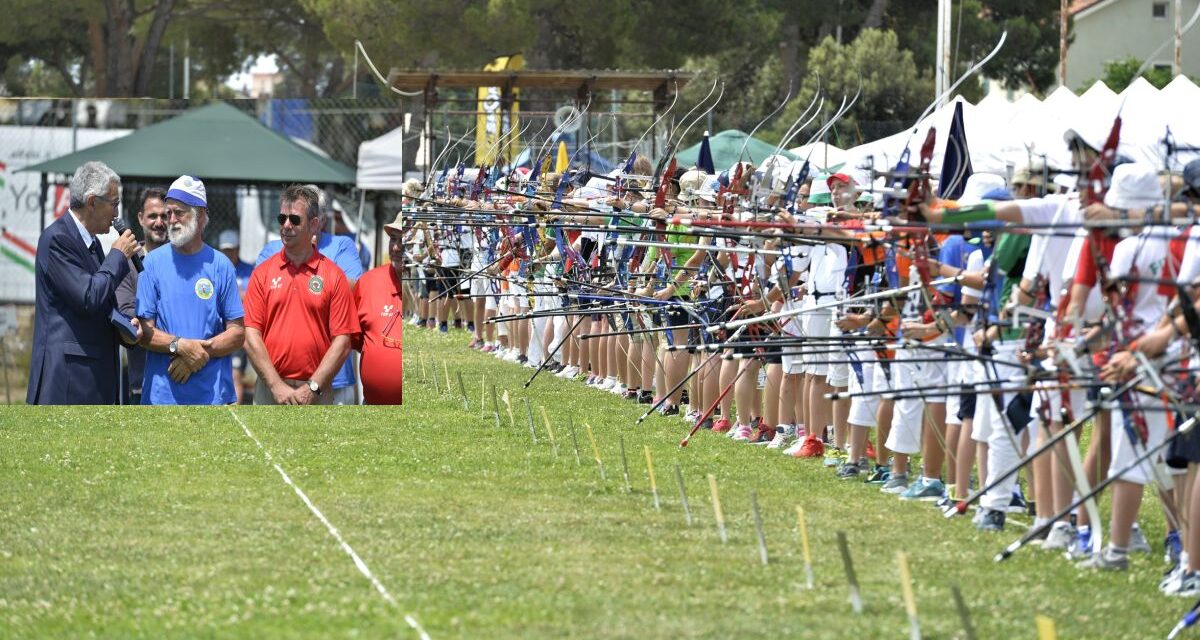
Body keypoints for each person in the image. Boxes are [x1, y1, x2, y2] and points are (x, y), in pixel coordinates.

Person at [27, 161, 140, 405]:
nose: (116, 214)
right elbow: (88, 297)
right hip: (68, 382)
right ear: (91, 202)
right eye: (113, 204)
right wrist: (118, 256)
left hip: (93, 378)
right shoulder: (57, 239)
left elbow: (102, 301)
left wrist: (124, 327)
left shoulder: (93, 243)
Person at [243, 184, 359, 405]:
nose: (286, 225)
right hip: (270, 390)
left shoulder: (333, 276)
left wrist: (312, 387)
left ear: (314, 224)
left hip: (319, 390)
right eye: (282, 218)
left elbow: (343, 341)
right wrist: (276, 386)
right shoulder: (263, 273)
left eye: (295, 220)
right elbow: (250, 336)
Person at [135, 176, 245, 405]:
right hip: (161, 398)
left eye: (180, 212)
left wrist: (200, 353)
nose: (171, 220)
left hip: (211, 398)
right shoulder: (152, 263)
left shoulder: (221, 265)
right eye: (169, 213)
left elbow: (237, 334)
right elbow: (144, 332)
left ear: (201, 213)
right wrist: (181, 346)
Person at [114, 186, 168, 404]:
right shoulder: (127, 264)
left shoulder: (183, 262)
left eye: (165, 215)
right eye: (153, 216)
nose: (159, 222)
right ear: (141, 219)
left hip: (182, 381)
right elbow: (128, 320)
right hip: (142, 384)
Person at [353, 212, 405, 404]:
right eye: (393, 239)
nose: (397, 247)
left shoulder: (428, 286)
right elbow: (357, 340)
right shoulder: (368, 283)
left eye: (404, 240)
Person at [219, 229, 255, 403]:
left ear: (238, 249)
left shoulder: (249, 270)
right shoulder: (217, 268)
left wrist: (235, 295)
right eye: (225, 250)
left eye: (231, 250)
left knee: (235, 374)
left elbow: (252, 298)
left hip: (241, 328)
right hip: (220, 330)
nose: (229, 254)